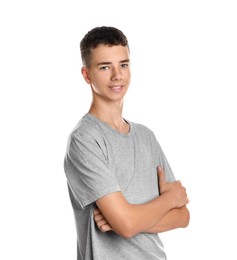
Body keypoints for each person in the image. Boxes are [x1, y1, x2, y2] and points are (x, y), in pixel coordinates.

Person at [64, 26, 190, 260]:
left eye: (124, 64)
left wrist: (125, 219)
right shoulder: (84, 140)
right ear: (86, 75)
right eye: (105, 67)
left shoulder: (146, 136)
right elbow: (128, 224)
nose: (117, 75)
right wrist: (169, 199)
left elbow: (183, 217)